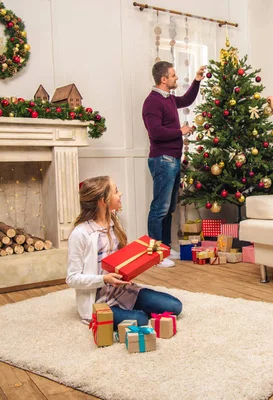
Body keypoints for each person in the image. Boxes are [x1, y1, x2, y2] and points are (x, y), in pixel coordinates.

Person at [66, 176, 182, 329]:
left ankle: (128, 311)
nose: (120, 194)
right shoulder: (80, 234)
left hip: (124, 291)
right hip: (99, 303)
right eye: (116, 191)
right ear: (103, 200)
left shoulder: (115, 224)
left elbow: (122, 261)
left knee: (175, 306)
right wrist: (104, 279)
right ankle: (121, 315)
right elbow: (72, 278)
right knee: (141, 320)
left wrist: (146, 259)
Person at [142, 61, 206, 268]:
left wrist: (196, 80)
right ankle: (155, 254)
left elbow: (187, 99)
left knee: (168, 208)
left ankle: (166, 249)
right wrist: (181, 131)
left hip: (173, 159)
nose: (176, 78)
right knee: (159, 209)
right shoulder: (152, 102)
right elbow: (156, 133)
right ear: (163, 79)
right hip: (163, 160)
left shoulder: (168, 99)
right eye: (173, 75)